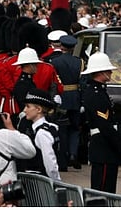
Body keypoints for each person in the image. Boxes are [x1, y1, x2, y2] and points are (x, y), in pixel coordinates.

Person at [81, 52, 121, 193]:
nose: (111, 72)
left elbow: (109, 118)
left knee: (107, 192)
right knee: (102, 192)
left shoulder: (99, 92)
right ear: (101, 72)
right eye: (108, 70)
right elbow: (104, 125)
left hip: (105, 147)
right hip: (103, 148)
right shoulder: (95, 94)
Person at [47, 34, 83, 170]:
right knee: (75, 128)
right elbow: (82, 82)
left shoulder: (55, 62)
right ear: (73, 48)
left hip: (61, 96)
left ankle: (63, 156)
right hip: (75, 97)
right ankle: (73, 154)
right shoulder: (79, 62)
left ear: (61, 46)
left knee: (62, 129)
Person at [17, 89, 61, 181]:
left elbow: (50, 162)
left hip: (40, 183)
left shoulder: (42, 133)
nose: (25, 110)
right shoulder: (48, 128)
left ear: (39, 109)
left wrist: (56, 181)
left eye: (28, 106)